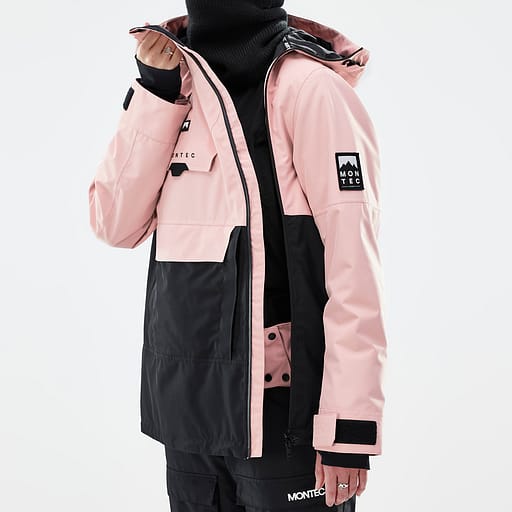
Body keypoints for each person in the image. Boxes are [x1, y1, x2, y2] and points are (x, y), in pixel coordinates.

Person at [88, 1, 388, 510]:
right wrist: (155, 92)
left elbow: (353, 269)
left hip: (283, 420)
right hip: (189, 417)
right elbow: (114, 224)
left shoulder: (309, 89)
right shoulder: (175, 85)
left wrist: (348, 431)